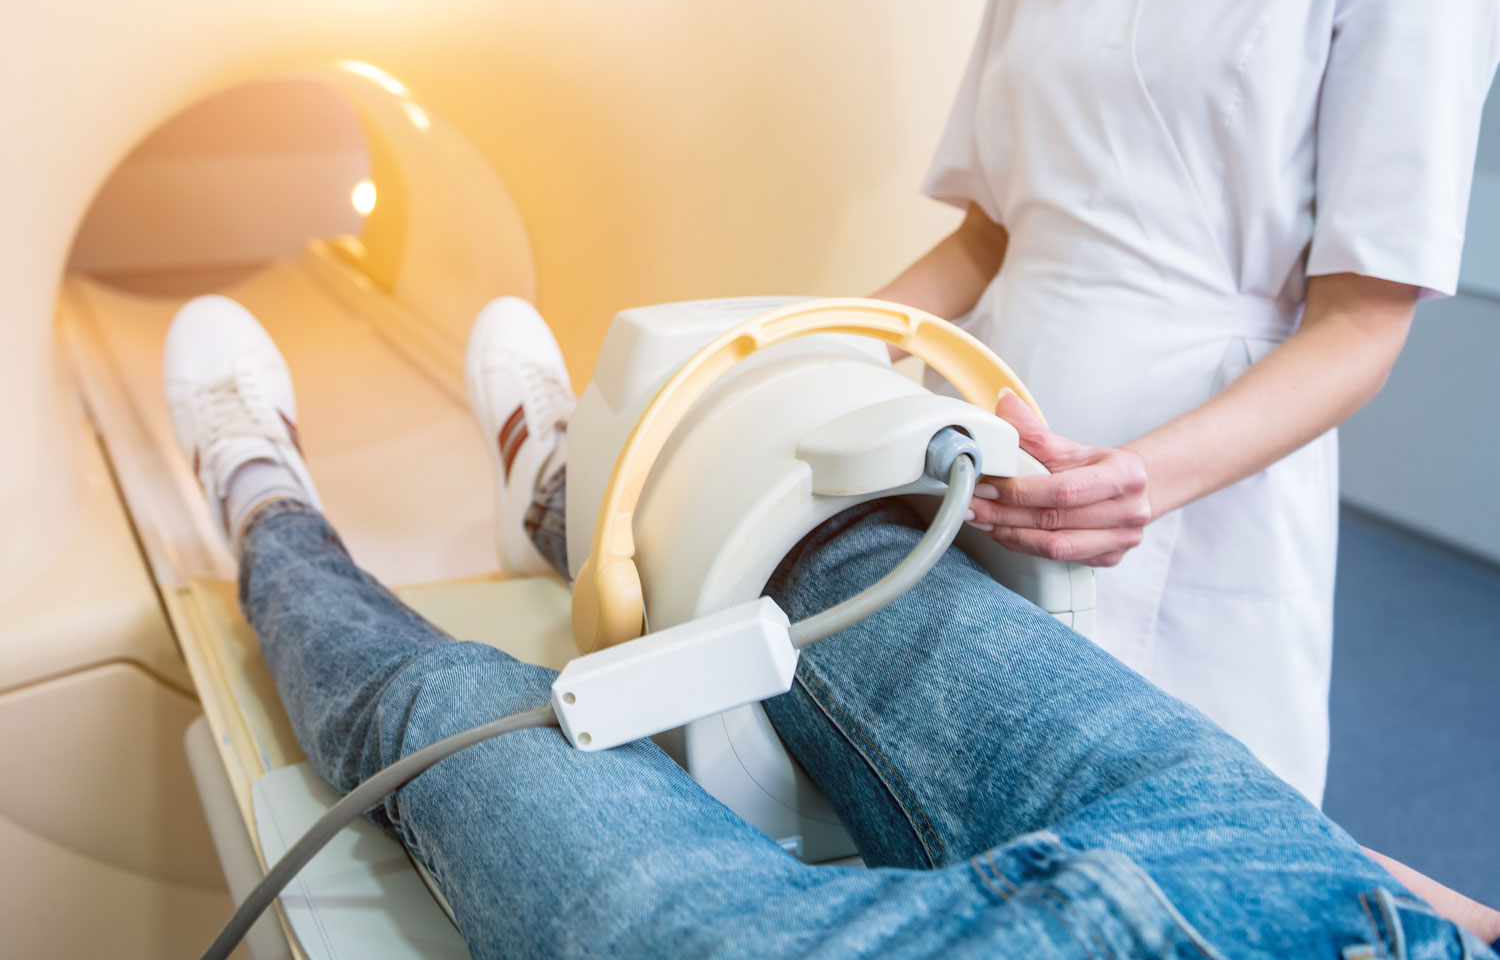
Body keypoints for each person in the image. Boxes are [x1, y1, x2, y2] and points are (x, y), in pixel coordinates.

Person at [165, 294, 1500, 960]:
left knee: (453, 711)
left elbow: (1370, 312)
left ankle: (261, 496)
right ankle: (565, 484)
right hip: (1299, 893)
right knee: (837, 561)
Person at [871, 0, 1500, 804]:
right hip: (991, 432)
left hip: (1200, 466)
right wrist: (814, 355)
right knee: (956, 803)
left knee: (1172, 844)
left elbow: (1363, 324)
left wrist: (1143, 480)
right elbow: (988, 238)